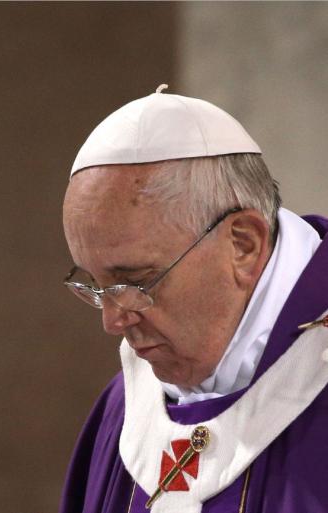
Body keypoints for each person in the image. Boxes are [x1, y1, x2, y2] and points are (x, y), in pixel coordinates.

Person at [58, 85, 328, 513]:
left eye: (136, 282)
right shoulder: (124, 412)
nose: (113, 321)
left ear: (243, 244)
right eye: (95, 286)